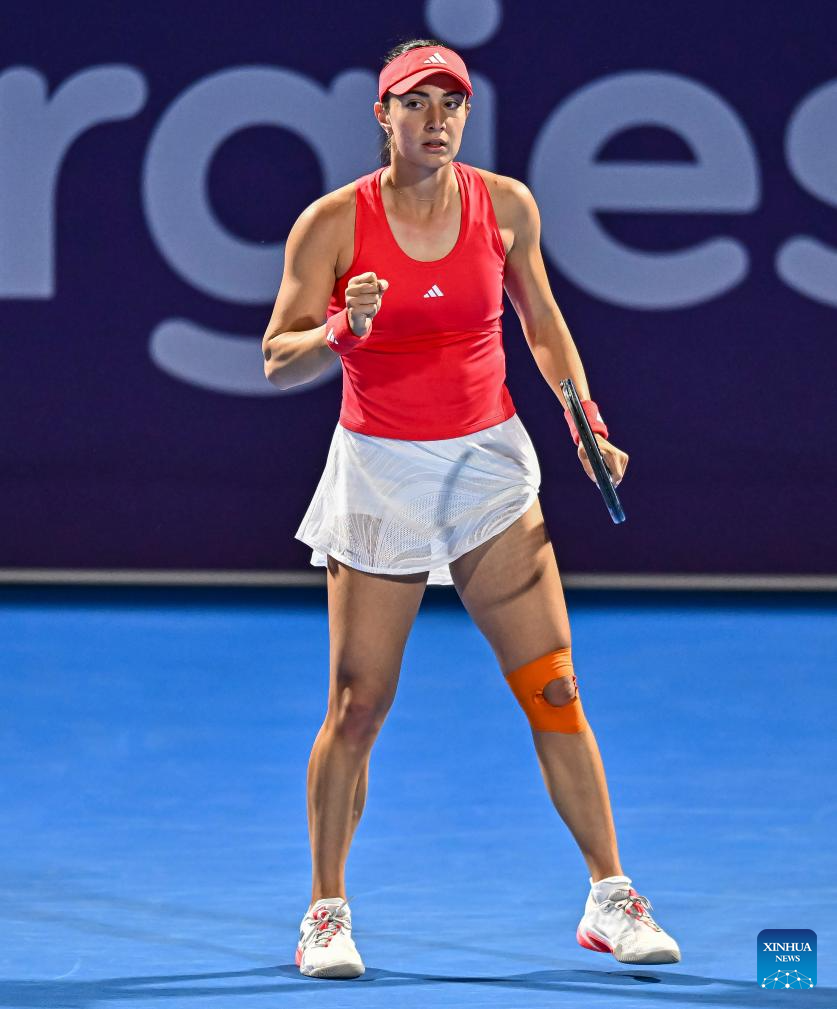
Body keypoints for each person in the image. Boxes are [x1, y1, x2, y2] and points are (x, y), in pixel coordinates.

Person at [262, 38, 681, 980]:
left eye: (451, 103)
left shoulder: (506, 206)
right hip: (378, 475)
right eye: (416, 102)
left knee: (553, 686)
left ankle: (610, 895)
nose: (436, 120)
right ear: (383, 115)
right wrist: (340, 328)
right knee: (357, 706)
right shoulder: (331, 224)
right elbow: (276, 357)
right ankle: (325, 911)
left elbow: (541, 322)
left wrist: (584, 418)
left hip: (488, 468)